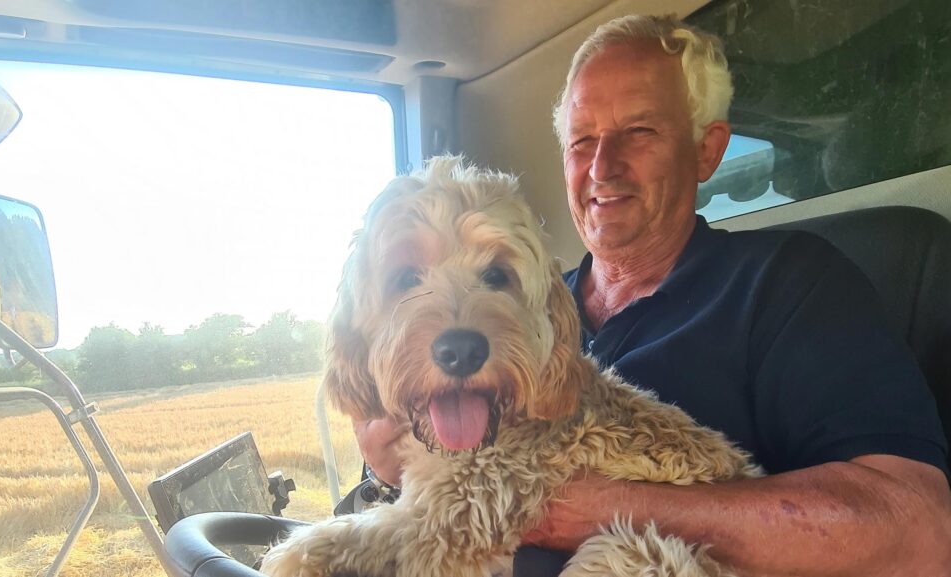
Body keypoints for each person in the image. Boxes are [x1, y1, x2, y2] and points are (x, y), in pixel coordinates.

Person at [354, 14, 951, 576]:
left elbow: (921, 530)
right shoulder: (525, 306)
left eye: (637, 131)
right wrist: (397, 468)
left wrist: (604, 507)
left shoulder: (790, 285)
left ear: (706, 150)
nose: (602, 167)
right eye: (582, 141)